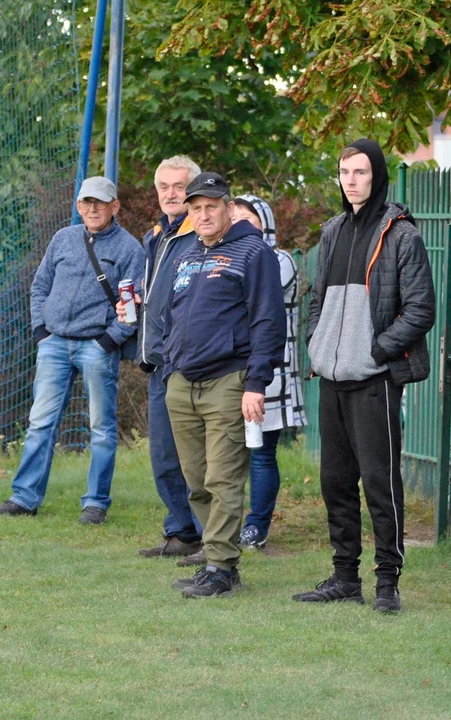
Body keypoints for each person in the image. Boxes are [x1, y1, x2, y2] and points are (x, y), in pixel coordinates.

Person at [295, 139, 436, 614]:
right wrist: (317, 343)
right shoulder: (332, 231)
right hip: (332, 380)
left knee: (380, 483)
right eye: (344, 172)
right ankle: (343, 577)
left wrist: (376, 350)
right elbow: (316, 300)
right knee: (335, 481)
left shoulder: (400, 236)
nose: (351, 180)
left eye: (360, 172)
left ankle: (387, 582)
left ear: (376, 176)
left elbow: (421, 310)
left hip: (374, 380)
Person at [0, 176, 144, 524]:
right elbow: (39, 286)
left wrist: (109, 340)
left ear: (114, 207)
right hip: (54, 344)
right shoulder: (63, 239)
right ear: (78, 206)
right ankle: (24, 498)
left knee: (101, 428)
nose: (92, 208)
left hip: (97, 346)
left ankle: (95, 503)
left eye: (100, 203)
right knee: (40, 423)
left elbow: (133, 305)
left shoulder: (130, 249)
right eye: (86, 202)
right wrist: (42, 331)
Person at [157, 172, 284, 598]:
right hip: (181, 381)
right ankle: (216, 557)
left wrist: (256, 383)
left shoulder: (254, 253)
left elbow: (268, 320)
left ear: (229, 207)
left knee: (223, 478)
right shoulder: (186, 253)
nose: (204, 214)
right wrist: (170, 364)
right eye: (196, 208)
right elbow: (171, 312)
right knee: (195, 479)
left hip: (229, 381)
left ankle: (221, 567)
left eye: (212, 206)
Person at [134, 156, 208, 563]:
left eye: (179, 186)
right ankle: (180, 531)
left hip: (188, 364)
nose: (171, 194)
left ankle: (209, 537)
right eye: (163, 186)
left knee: (196, 458)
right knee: (163, 456)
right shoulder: (156, 236)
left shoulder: (202, 233)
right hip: (157, 362)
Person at [230, 194, 307, 551]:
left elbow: (246, 299)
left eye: (249, 219)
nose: (242, 226)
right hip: (230, 371)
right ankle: (221, 524)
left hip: (269, 375)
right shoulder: (226, 256)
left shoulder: (281, 261)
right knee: (226, 453)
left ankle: (256, 526)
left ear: (266, 224)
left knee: (260, 454)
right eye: (236, 218)